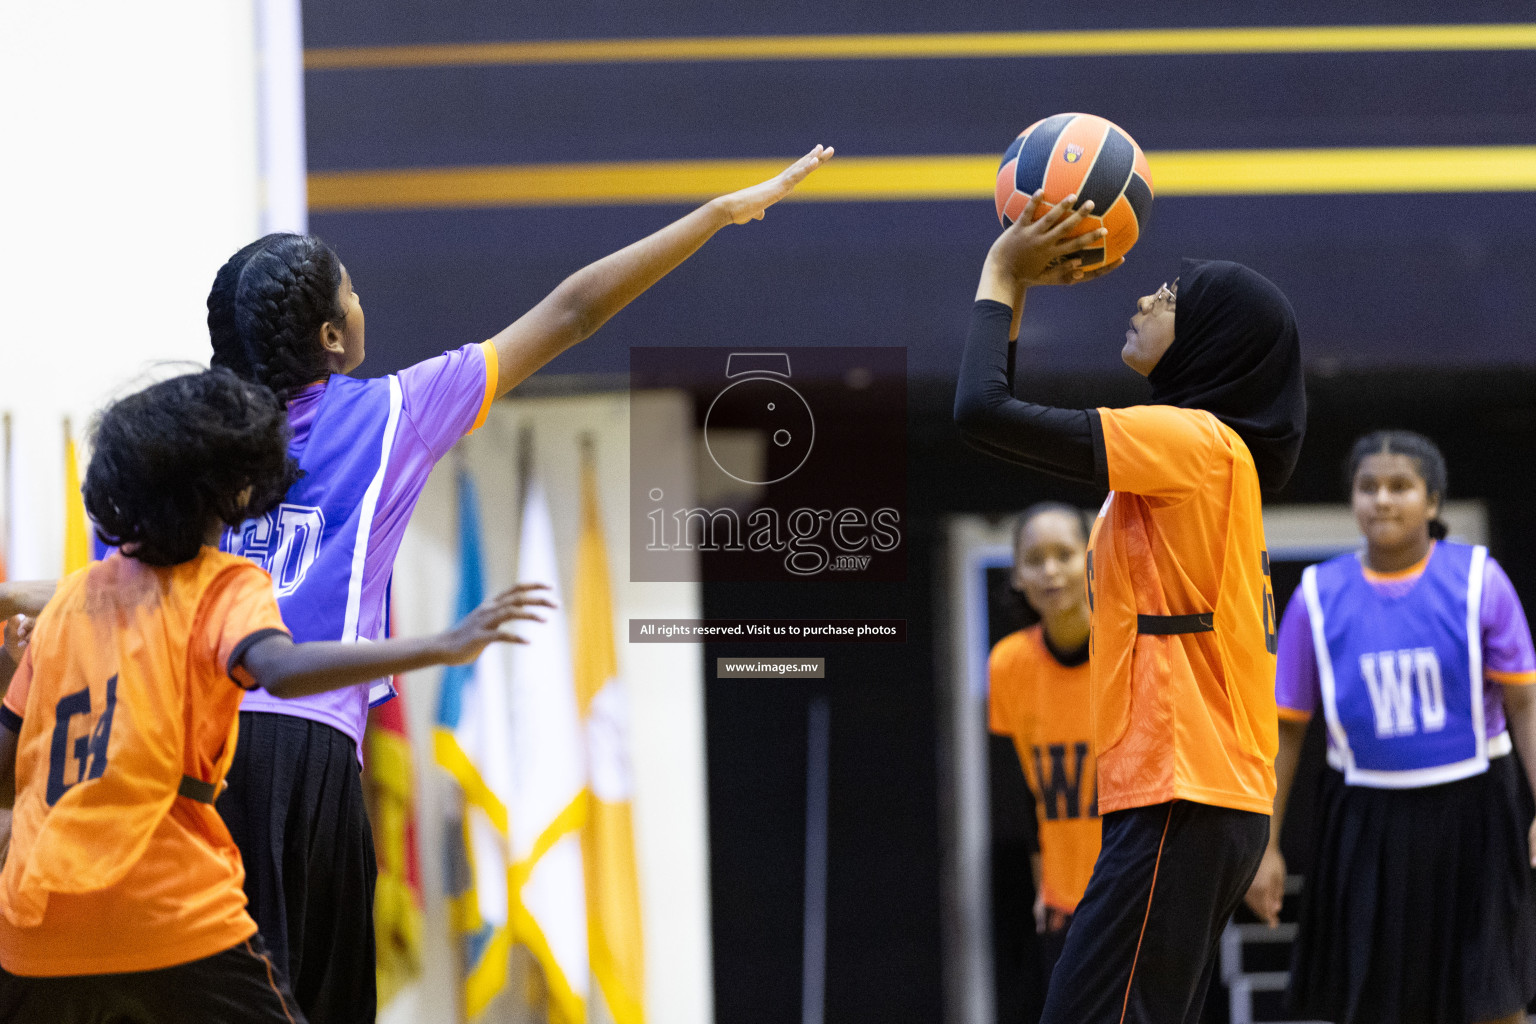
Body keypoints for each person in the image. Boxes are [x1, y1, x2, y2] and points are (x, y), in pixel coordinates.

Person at [205, 145, 832, 1021]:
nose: (360, 298)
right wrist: (716, 215)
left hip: (194, 752)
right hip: (305, 747)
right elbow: (573, 311)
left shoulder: (196, 436)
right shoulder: (394, 412)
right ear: (331, 338)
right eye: (348, 289)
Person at [0, 370, 550, 1024]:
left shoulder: (68, 604)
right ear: (235, 488)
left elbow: (6, 781)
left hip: (37, 928)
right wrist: (440, 645)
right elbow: (281, 671)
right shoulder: (225, 584)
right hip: (167, 909)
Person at [954, 190, 1306, 1023]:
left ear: (1214, 339)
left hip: (1185, 788)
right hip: (1194, 792)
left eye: (1174, 296)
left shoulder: (1189, 440)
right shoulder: (1213, 453)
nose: (1146, 297)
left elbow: (981, 411)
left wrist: (1004, 271)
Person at [1244, 430, 1536, 1024]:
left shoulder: (1481, 580)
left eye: (1399, 486)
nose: (1382, 500)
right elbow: (1287, 731)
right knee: (1369, 1000)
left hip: (1476, 806)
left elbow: (1525, 704)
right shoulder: (1317, 597)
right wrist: (1265, 846)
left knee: (1491, 996)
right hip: (1364, 817)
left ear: (1432, 502)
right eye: (1367, 487)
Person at [988, 503, 1100, 990]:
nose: (1050, 570)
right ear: (1017, 575)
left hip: (1141, 896)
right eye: (1035, 559)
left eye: (1065, 554)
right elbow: (1022, 798)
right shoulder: (1008, 664)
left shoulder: (1137, 652)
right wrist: (1042, 886)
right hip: (1064, 904)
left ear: (1094, 560)